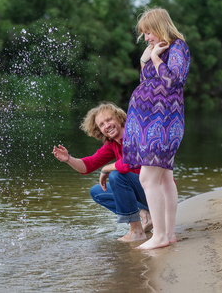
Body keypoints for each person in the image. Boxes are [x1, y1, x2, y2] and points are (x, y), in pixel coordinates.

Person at [122, 7, 190, 250]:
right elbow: (148, 83)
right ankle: (168, 234)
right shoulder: (154, 49)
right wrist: (145, 59)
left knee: (146, 178)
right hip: (149, 119)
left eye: (148, 32)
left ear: (160, 27)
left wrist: (155, 58)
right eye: (144, 34)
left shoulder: (178, 47)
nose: (146, 38)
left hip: (163, 122)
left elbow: (174, 81)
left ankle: (159, 235)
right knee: (164, 180)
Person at [53, 102, 152, 242]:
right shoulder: (112, 144)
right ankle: (144, 213)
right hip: (143, 191)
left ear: (119, 118)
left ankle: (136, 231)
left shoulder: (134, 133)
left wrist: (105, 169)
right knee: (97, 192)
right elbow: (88, 165)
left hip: (157, 191)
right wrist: (68, 159)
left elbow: (126, 165)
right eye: (101, 124)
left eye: (109, 119)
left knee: (117, 176)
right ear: (99, 130)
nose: (107, 126)